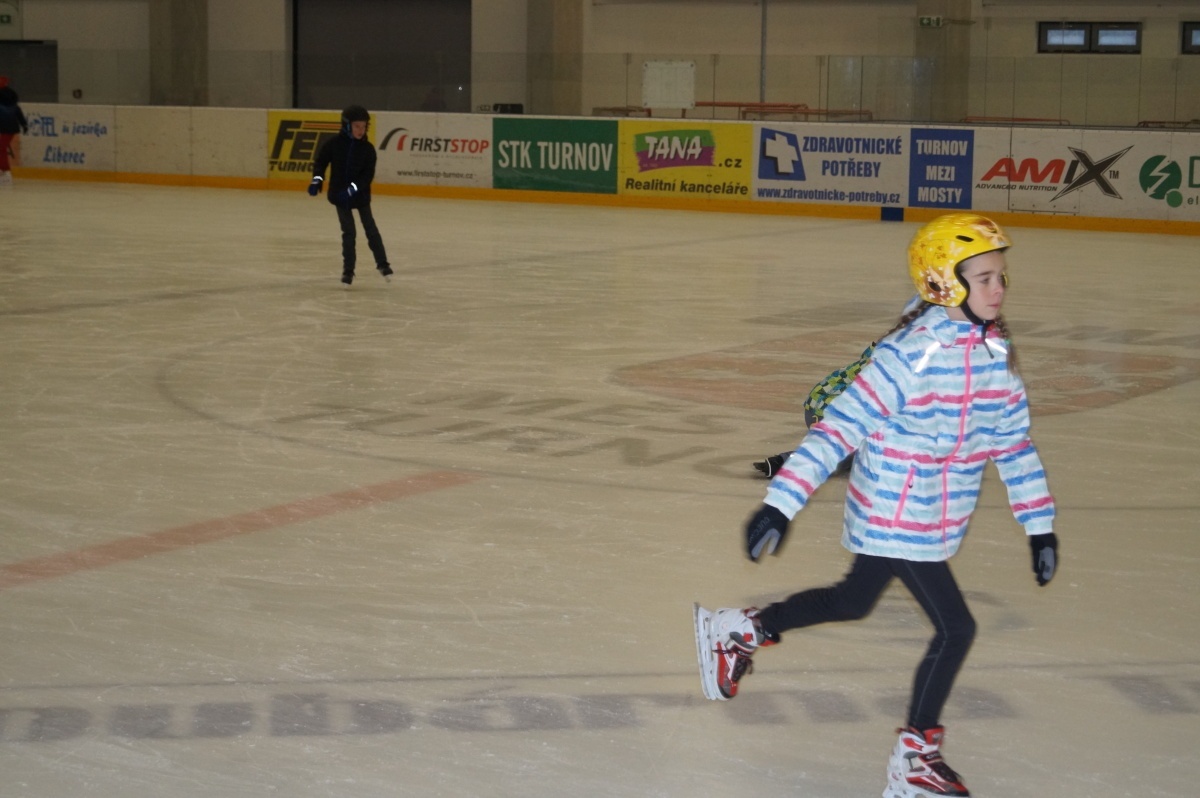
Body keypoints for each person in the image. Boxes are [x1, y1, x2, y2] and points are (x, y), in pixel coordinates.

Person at [694, 213, 1058, 798]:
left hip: (934, 513)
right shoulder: (906, 358)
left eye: (1001, 277)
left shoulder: (994, 353)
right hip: (897, 512)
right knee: (957, 628)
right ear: (945, 284)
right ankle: (915, 757)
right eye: (985, 278)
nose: (999, 289)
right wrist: (779, 505)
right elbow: (836, 431)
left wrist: (1039, 526)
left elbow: (1012, 444)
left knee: (854, 600)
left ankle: (742, 629)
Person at [307, 104, 393, 286]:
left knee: (371, 229)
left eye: (364, 126)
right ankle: (348, 270)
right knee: (349, 232)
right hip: (340, 196)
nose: (361, 130)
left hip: (360, 196)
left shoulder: (368, 150)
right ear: (347, 125)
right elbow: (320, 163)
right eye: (356, 126)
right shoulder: (333, 144)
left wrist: (352, 190)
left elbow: (367, 176)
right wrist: (317, 180)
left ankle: (383, 264)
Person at [0, 75, 29, 187]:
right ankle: (4, 172)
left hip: (6, 128)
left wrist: (24, 124)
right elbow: (19, 114)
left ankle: (5, 172)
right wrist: (24, 125)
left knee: (1, 149)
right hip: (10, 128)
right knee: (1, 149)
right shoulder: (13, 105)